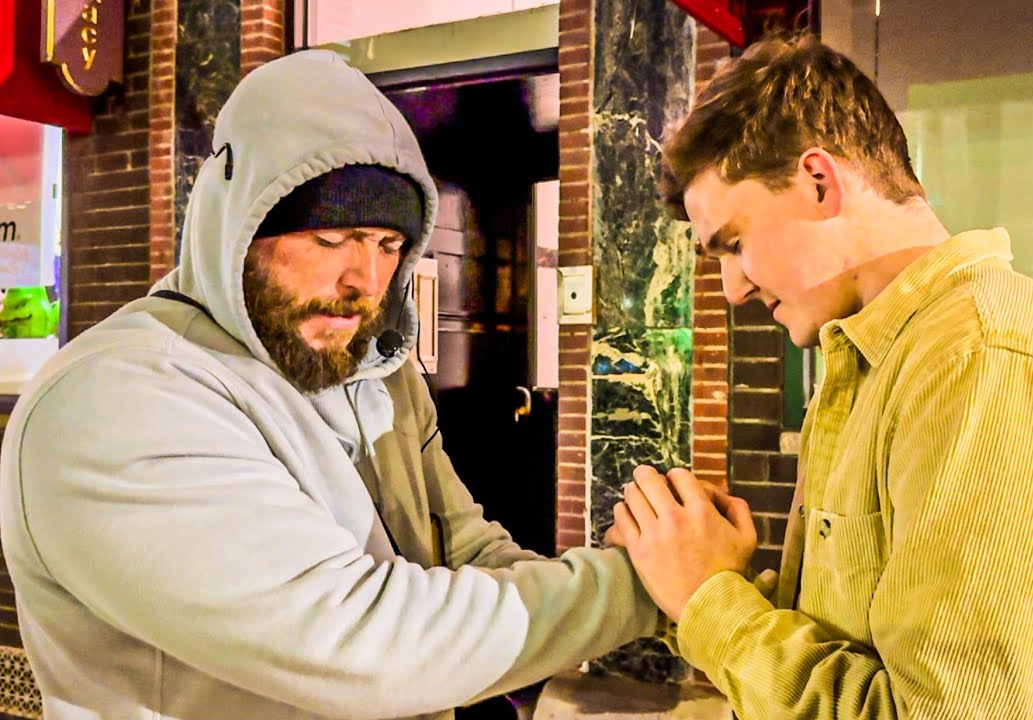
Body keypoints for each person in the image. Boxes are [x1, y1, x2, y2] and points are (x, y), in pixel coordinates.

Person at [0, 50, 657, 720]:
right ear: (239, 226)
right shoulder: (116, 400)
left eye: (388, 245)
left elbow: (464, 549)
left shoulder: (374, 373)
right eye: (332, 237)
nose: (365, 283)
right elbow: (365, 648)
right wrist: (646, 587)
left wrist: (650, 577)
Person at [609, 35, 1033, 719]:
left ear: (818, 181)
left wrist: (711, 602)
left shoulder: (989, 363)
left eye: (736, 243)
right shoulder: (884, 361)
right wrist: (717, 580)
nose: (732, 288)